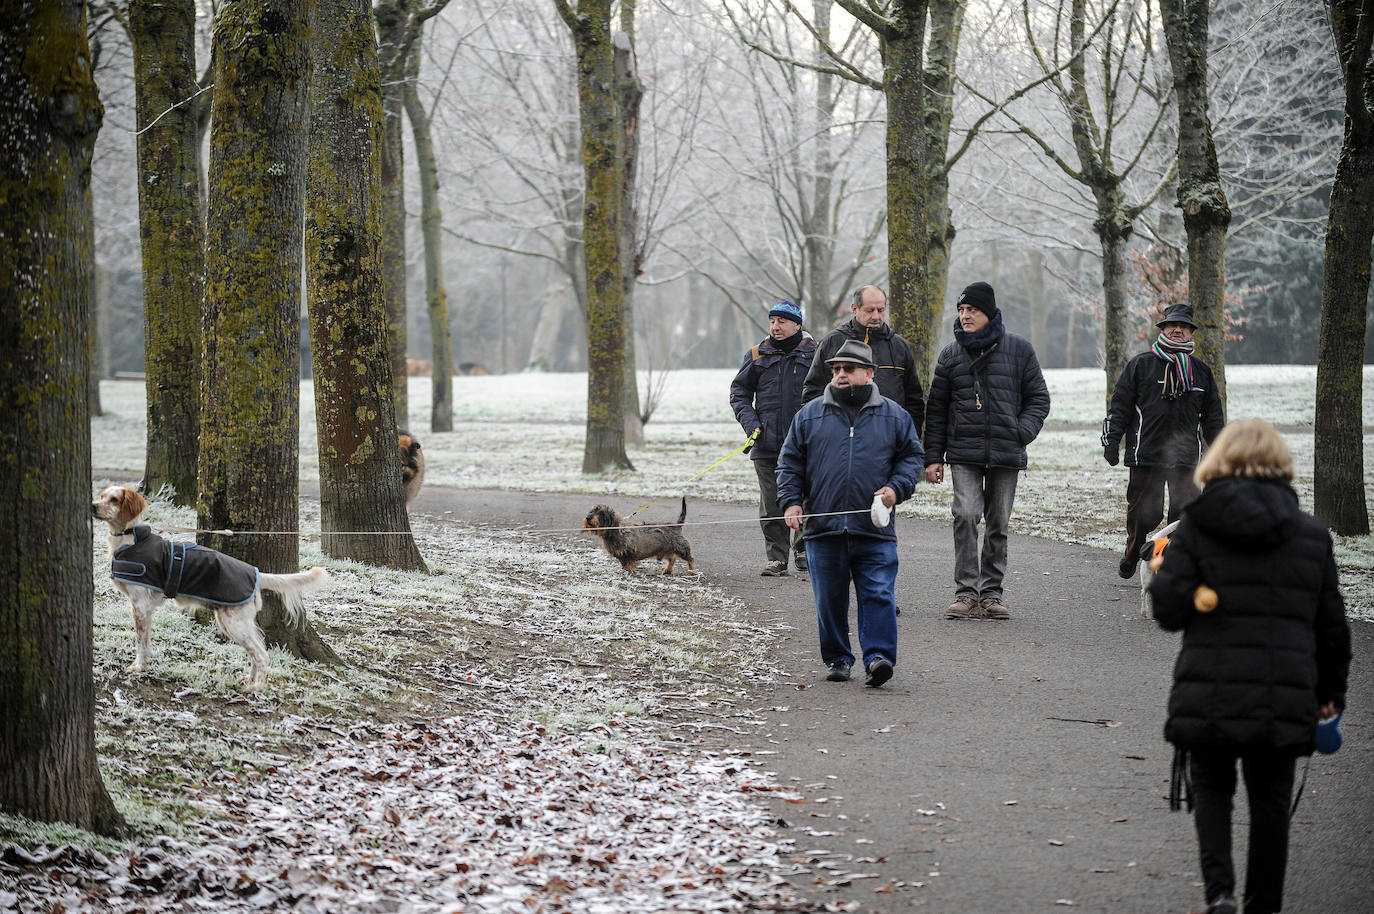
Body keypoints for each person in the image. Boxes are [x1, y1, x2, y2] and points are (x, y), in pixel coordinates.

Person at [1148, 418, 1351, 914]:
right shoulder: (1311, 535)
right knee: (1271, 803)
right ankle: (1265, 904)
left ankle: (1220, 894)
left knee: (1213, 792)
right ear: (1280, 464)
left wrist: (1193, 595)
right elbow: (1331, 629)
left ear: (1221, 459)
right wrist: (1330, 694)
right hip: (1283, 695)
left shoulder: (1197, 526)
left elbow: (1167, 610)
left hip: (1209, 691)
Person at [777, 339, 924, 688]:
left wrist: (895, 489)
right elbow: (789, 463)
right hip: (823, 528)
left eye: (849, 369)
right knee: (829, 599)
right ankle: (838, 658)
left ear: (869, 374)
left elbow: (911, 459)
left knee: (878, 593)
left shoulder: (894, 415)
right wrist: (791, 502)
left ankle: (879, 658)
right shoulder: (809, 415)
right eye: (836, 369)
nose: (841, 375)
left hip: (874, 528)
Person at [922, 281, 1050, 620]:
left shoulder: (1020, 350)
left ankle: (991, 593)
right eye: (962, 310)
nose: (965, 316)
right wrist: (932, 457)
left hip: (1006, 453)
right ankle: (966, 593)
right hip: (963, 452)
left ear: (989, 313)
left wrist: (1020, 432)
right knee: (965, 515)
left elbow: (1039, 398)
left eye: (972, 310)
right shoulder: (950, 355)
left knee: (998, 523)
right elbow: (936, 410)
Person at [1102, 303, 1225, 579]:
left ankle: (1164, 563)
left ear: (1191, 332)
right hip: (1146, 454)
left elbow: (1213, 418)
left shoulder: (1201, 371)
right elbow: (1120, 406)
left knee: (1183, 516)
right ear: (1163, 329)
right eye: (1173, 325)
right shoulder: (1141, 365)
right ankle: (1134, 553)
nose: (1178, 330)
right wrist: (1112, 440)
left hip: (1186, 458)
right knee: (1145, 515)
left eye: (1184, 326)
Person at [729, 300, 818, 576]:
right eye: (772, 321)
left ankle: (804, 549)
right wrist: (751, 424)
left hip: (805, 443)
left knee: (806, 497)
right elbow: (739, 394)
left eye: (782, 321)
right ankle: (776, 557)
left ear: (797, 325)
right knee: (771, 502)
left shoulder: (816, 354)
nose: (775, 327)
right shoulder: (756, 355)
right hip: (766, 443)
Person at [801, 285, 925, 435]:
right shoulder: (832, 342)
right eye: (869, 310)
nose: (876, 316)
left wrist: (908, 437)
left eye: (880, 310)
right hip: (839, 438)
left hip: (889, 439)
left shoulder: (899, 346)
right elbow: (813, 391)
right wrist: (822, 431)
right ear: (854, 309)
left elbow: (914, 400)